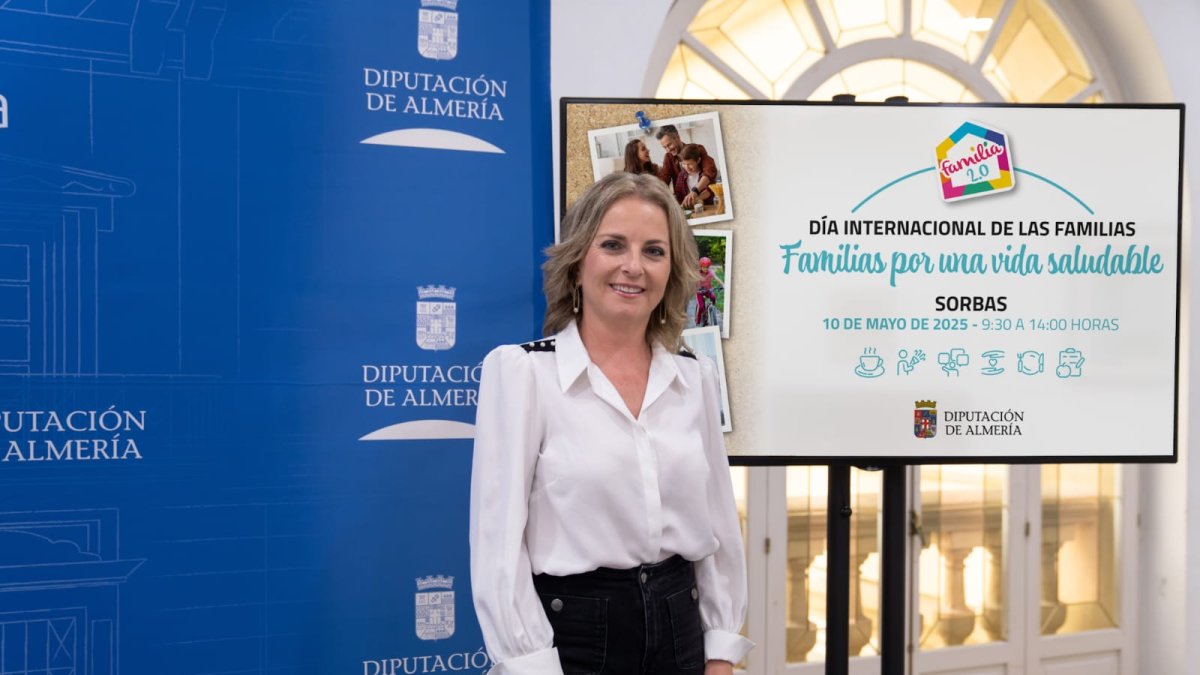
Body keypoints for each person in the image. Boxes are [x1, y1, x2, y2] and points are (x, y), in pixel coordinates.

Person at [470, 172, 753, 675]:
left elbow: (718, 526)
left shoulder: (696, 378)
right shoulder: (522, 373)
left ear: (673, 270)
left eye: (654, 251)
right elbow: (497, 545)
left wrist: (720, 650)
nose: (633, 266)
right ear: (578, 262)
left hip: (682, 629)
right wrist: (529, 663)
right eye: (613, 245)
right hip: (571, 638)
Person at [655, 124, 718, 209]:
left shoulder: (697, 149)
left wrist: (695, 191)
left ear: (677, 137)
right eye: (664, 147)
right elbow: (664, 179)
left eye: (669, 145)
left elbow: (710, 171)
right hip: (685, 206)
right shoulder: (668, 157)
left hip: (706, 203)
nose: (668, 150)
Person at [695, 256, 723, 326]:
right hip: (699, 292)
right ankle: (698, 322)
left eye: (707, 267)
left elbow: (717, 278)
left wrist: (723, 285)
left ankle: (711, 309)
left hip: (708, 290)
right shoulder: (697, 273)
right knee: (701, 306)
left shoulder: (710, 273)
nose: (705, 269)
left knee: (713, 297)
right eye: (704, 267)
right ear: (700, 267)